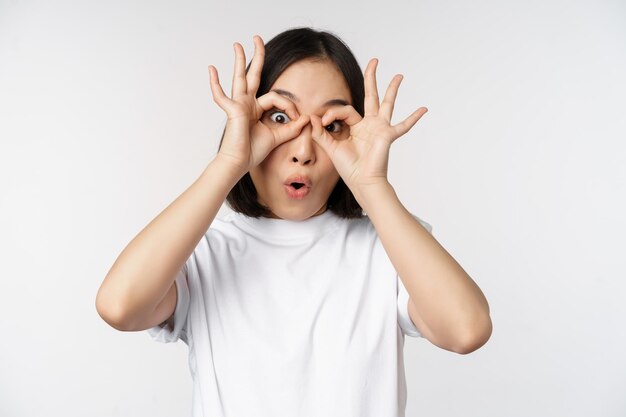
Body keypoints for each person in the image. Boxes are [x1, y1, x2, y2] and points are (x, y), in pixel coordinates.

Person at [96, 27, 492, 417]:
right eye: (280, 117)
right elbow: (119, 306)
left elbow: (466, 330)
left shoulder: (387, 248)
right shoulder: (204, 252)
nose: (303, 150)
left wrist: (372, 185)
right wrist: (229, 163)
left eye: (331, 126)